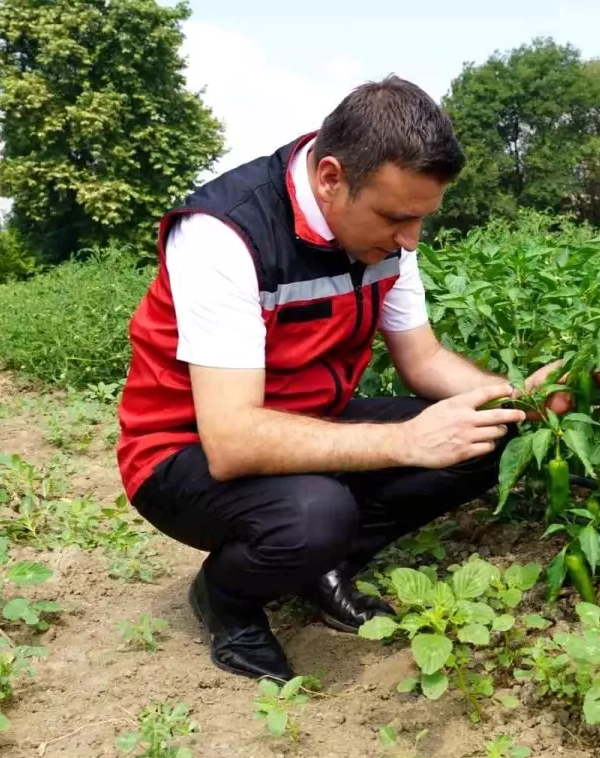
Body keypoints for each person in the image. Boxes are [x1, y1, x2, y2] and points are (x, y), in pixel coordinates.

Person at [116, 76, 570, 682]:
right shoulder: (224, 234)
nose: (409, 241)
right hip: (182, 449)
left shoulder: (387, 238)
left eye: (420, 221)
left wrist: (520, 398)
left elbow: (424, 359)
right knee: (314, 514)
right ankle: (227, 600)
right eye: (396, 219)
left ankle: (325, 567)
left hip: (314, 422)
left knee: (489, 430)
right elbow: (231, 441)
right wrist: (407, 442)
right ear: (330, 178)